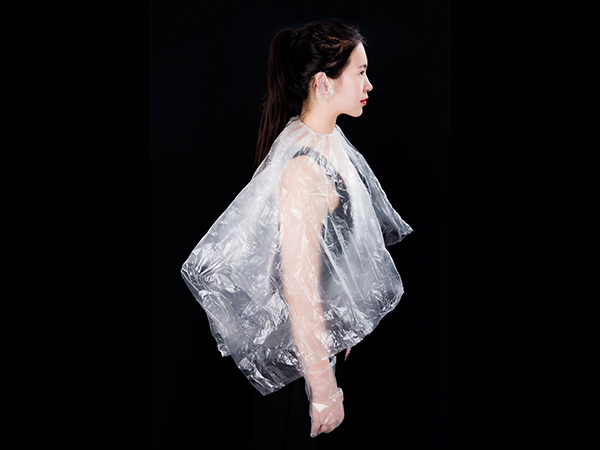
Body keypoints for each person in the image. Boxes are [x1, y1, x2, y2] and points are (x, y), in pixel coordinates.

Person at [181, 20, 412, 445]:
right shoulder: (304, 169)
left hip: (317, 356)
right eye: (360, 72)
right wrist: (323, 391)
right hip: (299, 378)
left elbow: (329, 266)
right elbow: (299, 289)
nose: (369, 84)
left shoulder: (329, 143)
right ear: (323, 82)